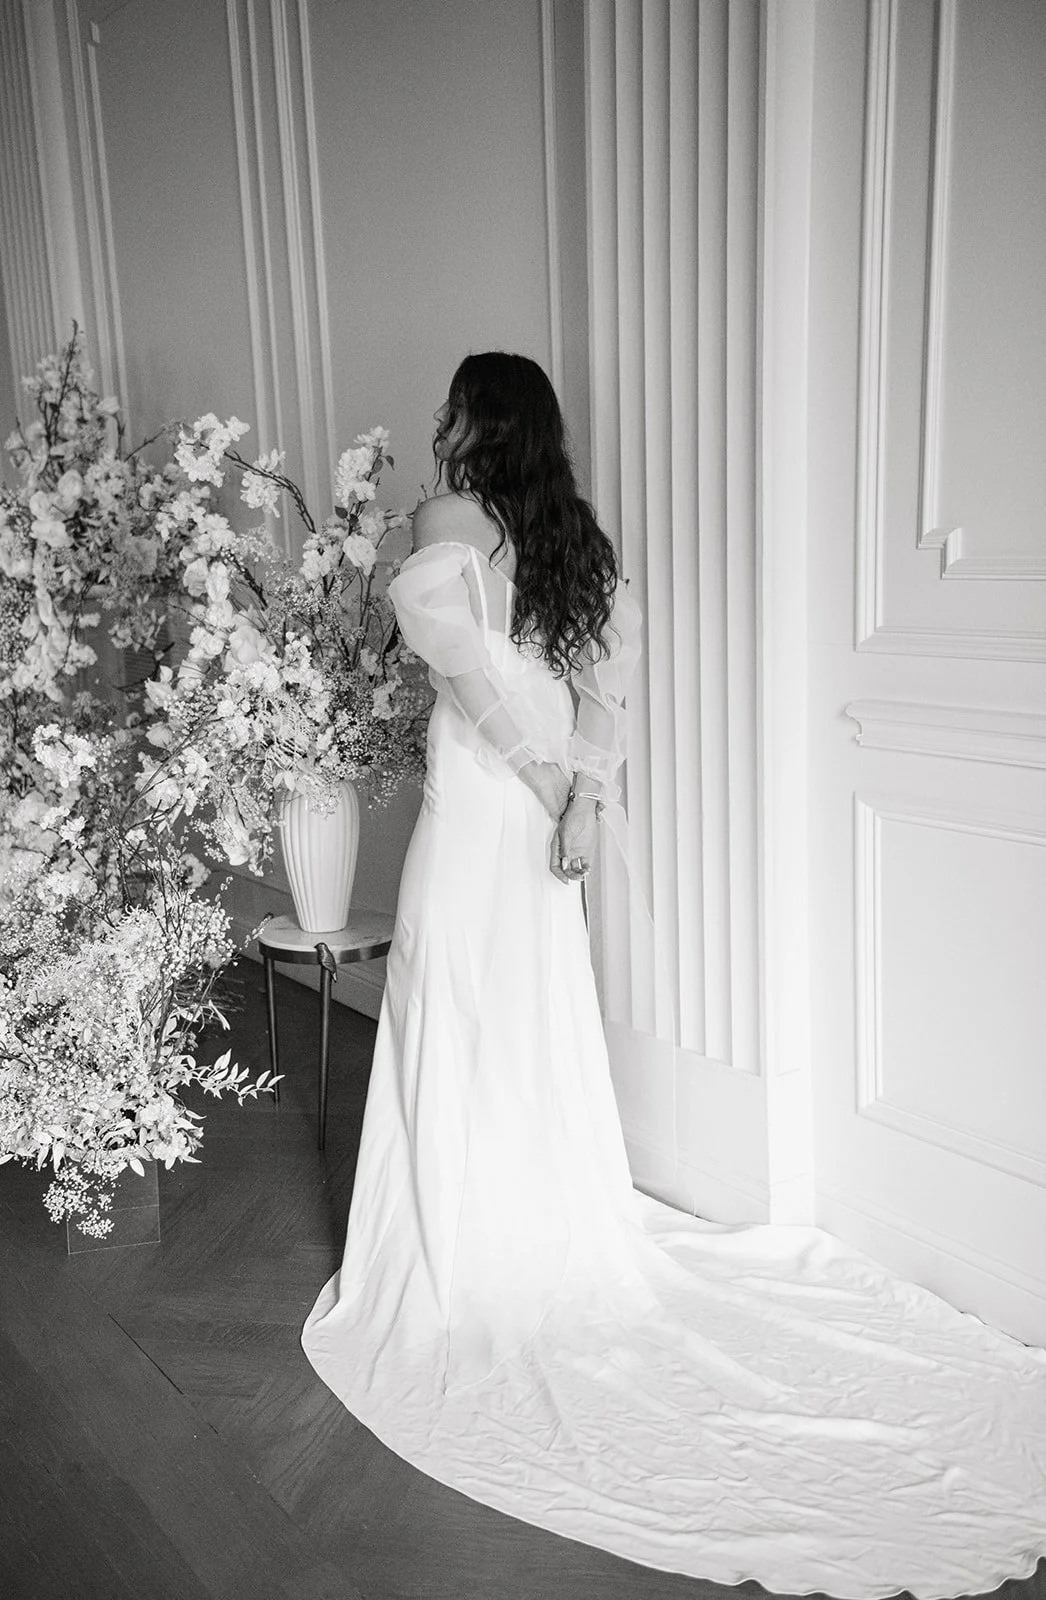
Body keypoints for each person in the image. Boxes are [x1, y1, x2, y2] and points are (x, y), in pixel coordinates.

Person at [302, 353, 1046, 1597]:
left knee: (458, 1006)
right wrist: (582, 801)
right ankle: (530, 1229)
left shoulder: (444, 518)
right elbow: (603, 694)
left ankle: (466, 1248)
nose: (441, 422)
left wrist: (551, 788)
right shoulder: (576, 539)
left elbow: (469, 680)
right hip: (543, 813)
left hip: (486, 806)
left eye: (456, 406)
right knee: (527, 1015)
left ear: (482, 422)